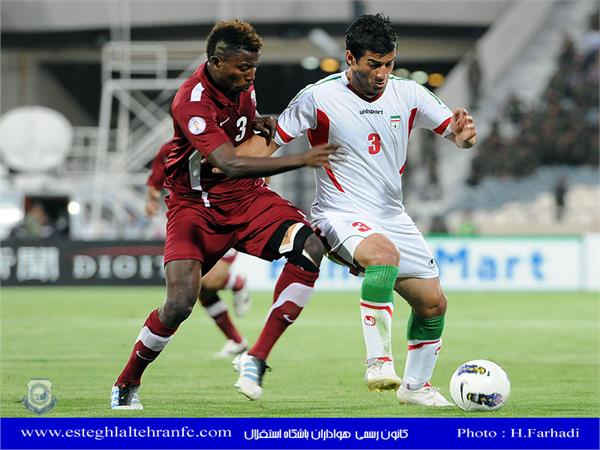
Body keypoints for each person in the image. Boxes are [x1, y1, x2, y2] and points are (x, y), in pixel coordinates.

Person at [237, 14, 477, 406]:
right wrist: (227, 166)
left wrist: (466, 137)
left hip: (390, 214)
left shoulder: (409, 94)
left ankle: (416, 388)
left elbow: (456, 133)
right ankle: (378, 361)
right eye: (373, 64)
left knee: (433, 303)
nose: (382, 73)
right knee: (383, 255)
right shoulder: (318, 97)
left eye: (388, 64)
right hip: (338, 211)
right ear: (350, 57)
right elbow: (268, 147)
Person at [111, 19, 338, 409]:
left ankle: (256, 357)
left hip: (246, 199)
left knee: (309, 245)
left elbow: (239, 132)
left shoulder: (241, 83)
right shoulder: (191, 101)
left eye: (254, 67)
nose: (251, 76)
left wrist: (259, 121)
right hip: (194, 208)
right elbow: (229, 162)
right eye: (243, 68)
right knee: (180, 304)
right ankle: (127, 380)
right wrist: (301, 158)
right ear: (216, 63)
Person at [145, 141, 252, 357]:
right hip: (190, 224)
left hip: (225, 220)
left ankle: (237, 282)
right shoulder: (168, 150)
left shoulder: (223, 144)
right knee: (199, 289)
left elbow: (254, 165)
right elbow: (155, 182)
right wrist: (152, 200)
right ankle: (236, 341)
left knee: (209, 281)